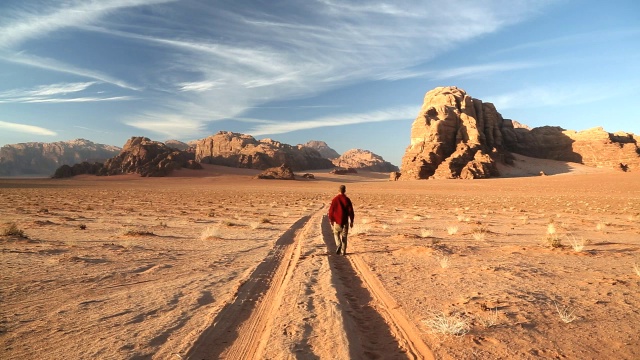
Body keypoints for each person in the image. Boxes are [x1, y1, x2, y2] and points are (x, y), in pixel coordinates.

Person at [328, 184, 354, 255]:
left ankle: (338, 244)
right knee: (344, 237)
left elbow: (331, 211)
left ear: (338, 190)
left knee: (336, 234)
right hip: (345, 221)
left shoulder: (335, 199)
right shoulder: (347, 199)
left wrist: (331, 220)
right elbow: (351, 211)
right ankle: (343, 252)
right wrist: (351, 221)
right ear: (345, 191)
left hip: (337, 222)